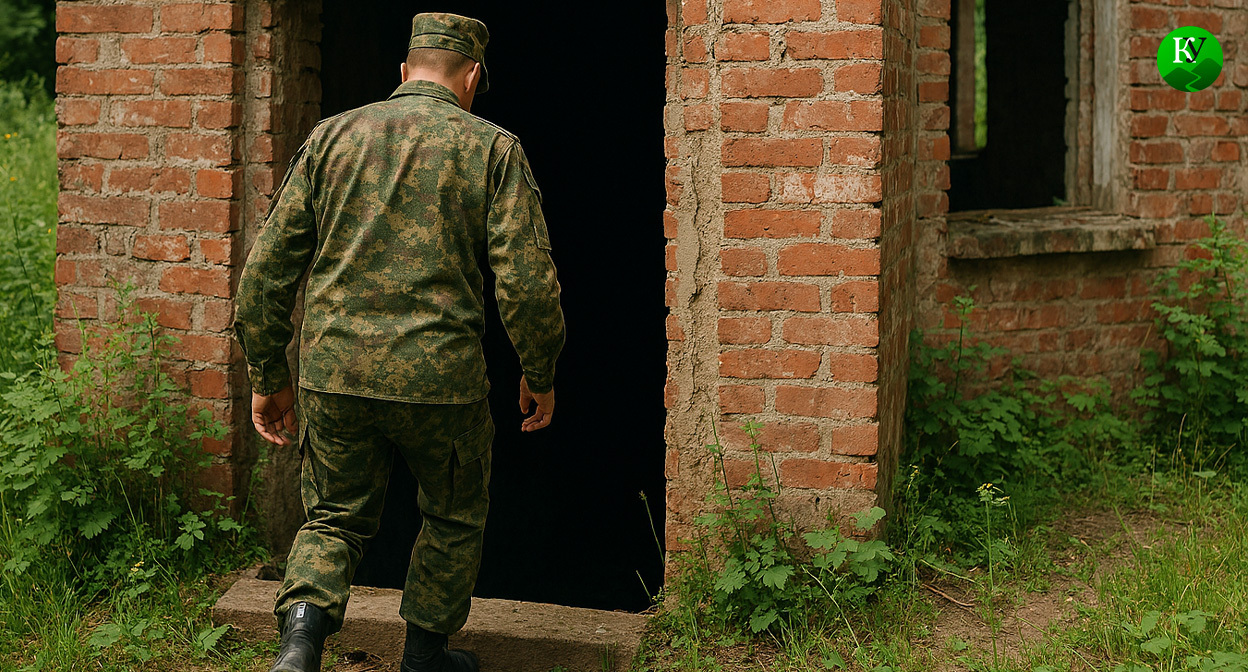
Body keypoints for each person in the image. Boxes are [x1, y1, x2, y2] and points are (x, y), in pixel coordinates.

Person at [231, 12, 567, 672]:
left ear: (405, 71)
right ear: (472, 77)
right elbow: (528, 284)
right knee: (452, 515)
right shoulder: (493, 149)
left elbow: (264, 274)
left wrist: (268, 375)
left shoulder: (331, 138)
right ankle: (425, 654)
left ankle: (299, 645)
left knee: (333, 516)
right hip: (441, 380)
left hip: (335, 373)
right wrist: (541, 369)